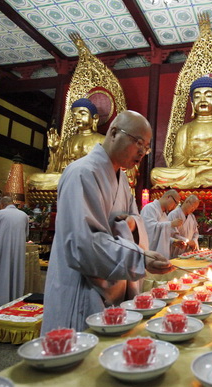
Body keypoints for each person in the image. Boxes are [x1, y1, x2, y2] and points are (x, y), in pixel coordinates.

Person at [42, 110, 173, 334]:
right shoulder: (82, 173)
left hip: (114, 283)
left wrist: (130, 225)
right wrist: (139, 258)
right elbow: (83, 244)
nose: (143, 151)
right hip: (82, 286)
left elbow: (137, 221)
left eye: (147, 146)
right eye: (138, 142)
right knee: (77, 351)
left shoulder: (122, 180)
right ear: (113, 133)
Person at [150, 76, 212, 189]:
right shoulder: (184, 129)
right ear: (192, 102)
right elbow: (177, 158)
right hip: (188, 171)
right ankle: (201, 183)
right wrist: (188, 161)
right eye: (197, 96)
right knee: (155, 174)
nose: (203, 100)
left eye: (208, 95)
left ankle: (190, 185)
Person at [27, 98, 104, 191]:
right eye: (74, 115)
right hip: (67, 177)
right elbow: (57, 169)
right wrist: (54, 150)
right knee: (32, 178)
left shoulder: (102, 140)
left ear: (95, 118)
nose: (78, 117)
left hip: (89, 179)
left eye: (82, 113)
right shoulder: (68, 141)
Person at [0, 197, 29, 308]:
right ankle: (14, 298)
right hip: (18, 249)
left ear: (1, 204)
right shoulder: (23, 215)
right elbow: (26, 234)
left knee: (1, 272)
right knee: (15, 272)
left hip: (2, 248)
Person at [140, 190, 183, 260]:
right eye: (175, 203)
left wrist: (173, 241)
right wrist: (171, 224)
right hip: (149, 253)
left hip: (161, 255)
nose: (175, 207)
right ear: (168, 197)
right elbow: (149, 230)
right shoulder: (149, 208)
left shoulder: (164, 215)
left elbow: (161, 235)